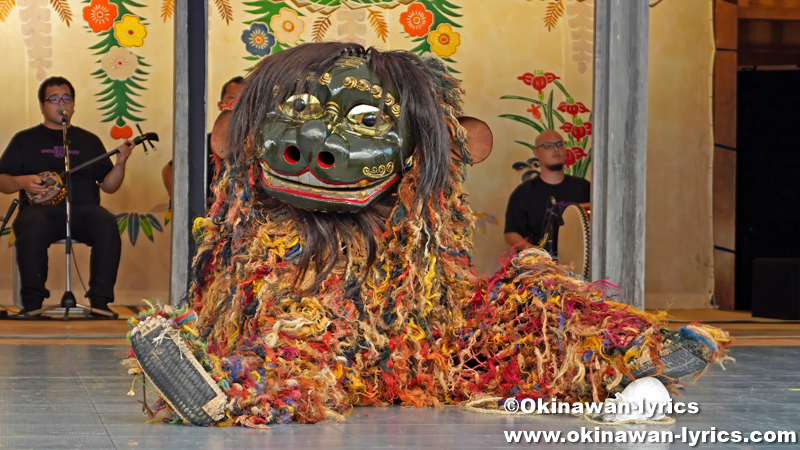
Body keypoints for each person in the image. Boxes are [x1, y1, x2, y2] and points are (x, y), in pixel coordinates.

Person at [0, 76, 134, 318]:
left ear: (73, 104)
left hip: (84, 211)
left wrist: (121, 163)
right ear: (42, 105)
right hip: (40, 213)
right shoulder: (24, 140)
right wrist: (21, 181)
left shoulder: (89, 140)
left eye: (66, 98)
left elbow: (109, 186)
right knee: (29, 224)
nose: (61, 103)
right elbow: (3, 181)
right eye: (53, 98)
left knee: (106, 224)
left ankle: (99, 303)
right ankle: (33, 304)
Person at [504, 129, 590, 255]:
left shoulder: (584, 188)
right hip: (539, 267)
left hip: (578, 262)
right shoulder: (523, 193)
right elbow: (511, 234)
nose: (556, 149)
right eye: (548, 146)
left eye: (560, 144)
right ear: (536, 152)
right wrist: (537, 253)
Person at [161, 76, 244, 203]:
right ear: (221, 105)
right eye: (232, 98)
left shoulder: (257, 143)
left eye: (243, 99)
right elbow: (169, 170)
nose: (236, 104)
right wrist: (181, 202)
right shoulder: (202, 143)